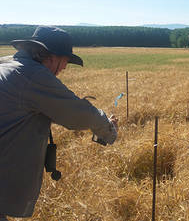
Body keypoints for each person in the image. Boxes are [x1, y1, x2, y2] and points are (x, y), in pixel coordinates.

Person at [0, 26, 118, 220]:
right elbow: (80, 114)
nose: (64, 68)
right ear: (51, 57)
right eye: (65, 61)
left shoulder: (7, 64)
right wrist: (109, 129)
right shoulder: (32, 75)